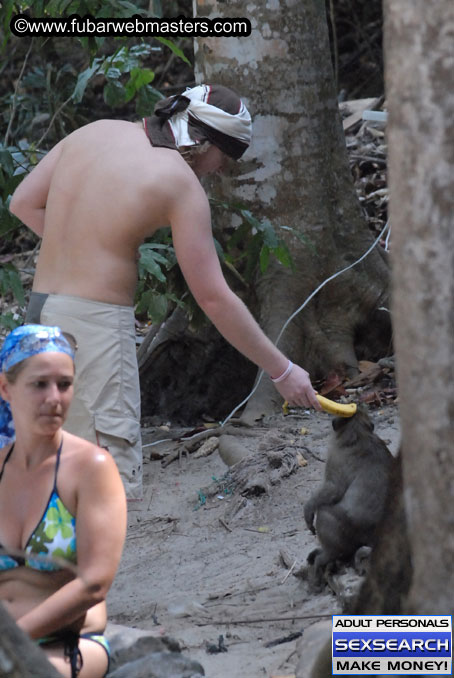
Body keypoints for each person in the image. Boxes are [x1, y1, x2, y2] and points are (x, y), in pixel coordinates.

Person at [9, 83, 321, 499]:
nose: (220, 169)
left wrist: (82, 245)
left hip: (40, 313)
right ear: (203, 141)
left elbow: (23, 203)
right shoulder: (179, 183)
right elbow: (213, 298)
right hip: (94, 332)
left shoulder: (94, 132)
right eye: (225, 157)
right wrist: (282, 371)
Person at [0, 325, 126, 678]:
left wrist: (14, 641)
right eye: (40, 384)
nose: (54, 397)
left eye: (64, 384)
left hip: (66, 645)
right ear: (6, 388)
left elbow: (94, 583)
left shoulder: (91, 468)